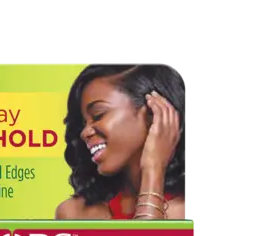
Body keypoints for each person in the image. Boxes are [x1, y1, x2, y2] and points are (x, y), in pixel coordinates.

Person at [55, 64, 190, 220]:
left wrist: (153, 168)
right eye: (83, 123)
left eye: (98, 115)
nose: (84, 133)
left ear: (152, 115)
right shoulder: (74, 213)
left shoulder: (186, 212)